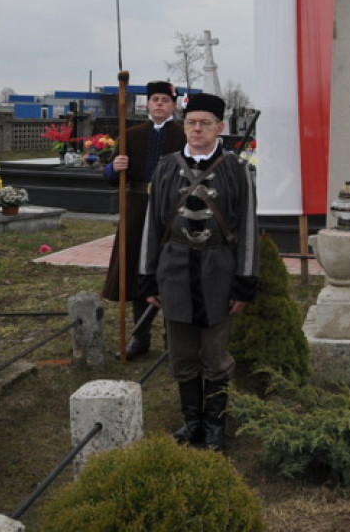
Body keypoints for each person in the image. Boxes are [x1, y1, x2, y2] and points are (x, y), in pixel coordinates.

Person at [139, 92, 258, 452]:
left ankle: (215, 426)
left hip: (218, 273)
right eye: (191, 122)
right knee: (181, 354)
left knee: (215, 356)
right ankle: (192, 423)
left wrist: (244, 282)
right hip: (174, 272)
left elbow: (248, 228)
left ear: (220, 127)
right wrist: (147, 276)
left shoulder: (236, 169)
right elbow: (152, 225)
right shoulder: (166, 167)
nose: (197, 129)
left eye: (205, 123)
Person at [101, 81, 187, 359]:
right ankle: (140, 336)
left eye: (165, 100)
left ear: (173, 105)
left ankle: (173, 339)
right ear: (147, 104)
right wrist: (114, 168)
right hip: (138, 209)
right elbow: (110, 177)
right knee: (139, 269)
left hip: (172, 210)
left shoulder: (184, 136)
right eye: (155, 100)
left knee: (172, 270)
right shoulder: (131, 135)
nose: (159, 104)